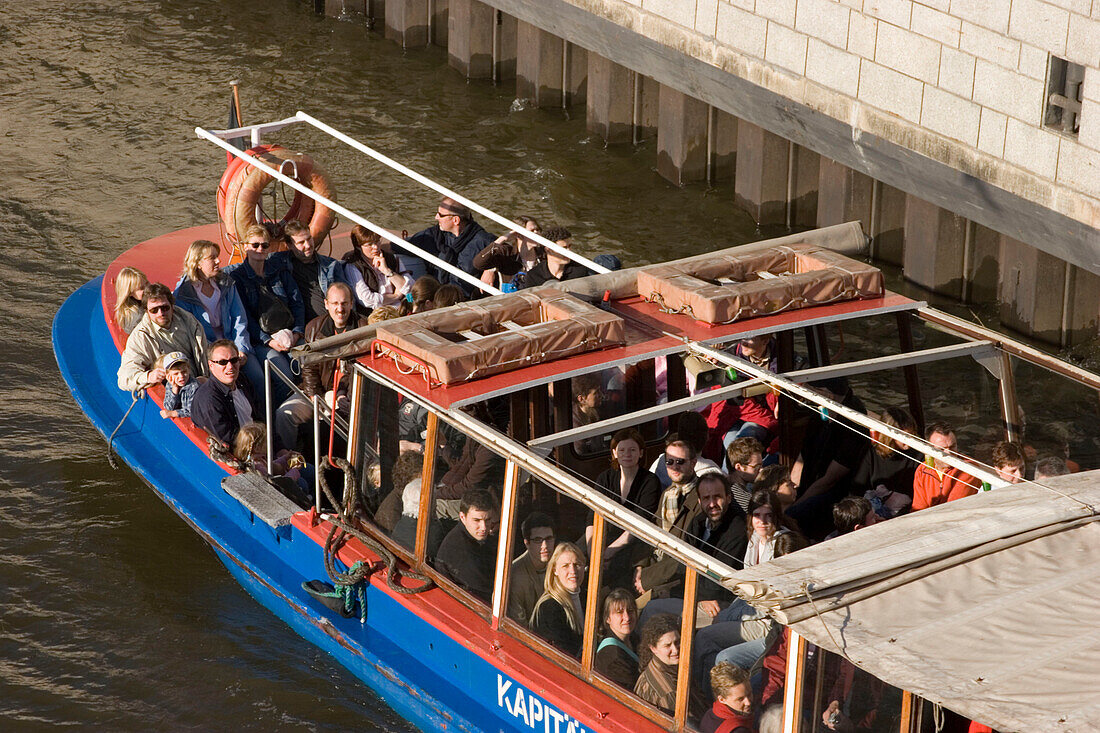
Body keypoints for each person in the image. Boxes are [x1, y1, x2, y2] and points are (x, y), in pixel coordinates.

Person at [274, 282, 362, 450]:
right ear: (326, 304)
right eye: (335, 303)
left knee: (329, 427)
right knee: (284, 414)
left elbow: (357, 370)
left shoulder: (362, 327)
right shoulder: (314, 328)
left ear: (351, 304)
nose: (340, 309)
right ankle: (289, 459)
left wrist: (342, 394)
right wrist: (314, 394)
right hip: (316, 391)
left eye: (344, 303)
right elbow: (309, 366)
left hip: (344, 397)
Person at [224, 224, 303, 396]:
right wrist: (269, 341)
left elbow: (297, 302)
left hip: (289, 332)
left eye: (264, 245)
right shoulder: (238, 278)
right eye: (255, 245)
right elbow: (245, 317)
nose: (260, 249)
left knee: (307, 364)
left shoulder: (279, 271)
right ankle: (279, 417)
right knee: (286, 378)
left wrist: (297, 332)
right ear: (246, 246)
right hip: (260, 340)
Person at [788, 378, 870, 540]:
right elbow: (803, 454)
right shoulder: (818, 409)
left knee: (794, 514)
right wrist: (791, 488)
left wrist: (795, 504)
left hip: (835, 493)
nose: (808, 395)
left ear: (827, 395)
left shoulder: (854, 425)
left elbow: (830, 480)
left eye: (813, 390)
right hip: (812, 476)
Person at [174, 239, 261, 390]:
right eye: (212, 258)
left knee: (258, 378)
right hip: (209, 353)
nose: (218, 260)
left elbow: (239, 319)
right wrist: (219, 356)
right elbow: (191, 333)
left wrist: (241, 350)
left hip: (235, 345)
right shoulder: (183, 294)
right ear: (198, 263)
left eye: (217, 256)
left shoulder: (226, 283)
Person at [634, 437, 703, 596]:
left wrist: (646, 579)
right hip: (653, 568)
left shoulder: (702, 496)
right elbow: (651, 532)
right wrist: (639, 566)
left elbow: (687, 551)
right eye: (669, 462)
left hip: (676, 581)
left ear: (693, 463)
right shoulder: (667, 494)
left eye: (680, 462)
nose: (674, 467)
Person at [117, 283, 208, 392]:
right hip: (177, 391)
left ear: (172, 306)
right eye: (154, 310)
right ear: (146, 311)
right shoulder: (140, 337)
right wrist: (149, 377)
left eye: (164, 308)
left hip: (201, 383)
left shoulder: (189, 321)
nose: (160, 313)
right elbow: (124, 379)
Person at [405, 197, 496, 297]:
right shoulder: (435, 235)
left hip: (464, 301)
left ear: (455, 220)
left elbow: (508, 249)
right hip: (436, 296)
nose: (436, 217)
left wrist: (491, 269)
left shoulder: (482, 240)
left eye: (441, 215)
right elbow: (402, 246)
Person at [269, 220, 349, 324]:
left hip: (328, 324)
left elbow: (347, 296)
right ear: (290, 245)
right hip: (294, 324)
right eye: (301, 242)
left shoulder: (331, 266)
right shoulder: (279, 262)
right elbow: (256, 257)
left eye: (309, 239)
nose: (308, 245)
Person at [433, 489, 499, 603]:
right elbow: (485, 592)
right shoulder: (460, 551)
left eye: (488, 520)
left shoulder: (473, 537)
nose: (484, 527)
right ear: (462, 517)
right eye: (476, 520)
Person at [190, 339, 258, 447]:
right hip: (243, 451)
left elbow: (260, 417)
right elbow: (227, 439)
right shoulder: (208, 399)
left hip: (258, 444)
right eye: (222, 362)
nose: (230, 367)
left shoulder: (242, 380)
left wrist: (279, 448)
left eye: (234, 360)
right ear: (211, 365)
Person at [851, 406, 921, 509]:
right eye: (905, 436)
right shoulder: (871, 452)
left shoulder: (918, 454)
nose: (910, 440)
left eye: (912, 434)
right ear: (889, 436)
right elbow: (858, 487)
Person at [634, 613, 702, 716]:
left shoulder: (652, 667)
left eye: (677, 642)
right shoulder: (668, 693)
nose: (675, 650)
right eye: (667, 645)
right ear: (653, 648)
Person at [530, 542, 587, 658]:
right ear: (555, 570)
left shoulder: (585, 598)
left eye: (577, 564)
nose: (573, 571)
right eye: (566, 566)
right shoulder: (549, 607)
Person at [342, 224, 412, 312]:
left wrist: (387, 271)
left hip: (401, 308)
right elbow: (367, 300)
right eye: (369, 244)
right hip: (376, 313)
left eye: (377, 241)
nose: (375, 247)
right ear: (358, 247)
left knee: (414, 298)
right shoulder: (353, 266)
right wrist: (396, 296)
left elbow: (410, 287)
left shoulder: (392, 258)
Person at [911, 422, 978, 511]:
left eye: (953, 447)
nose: (949, 453)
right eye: (942, 449)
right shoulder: (922, 470)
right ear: (929, 449)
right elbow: (918, 508)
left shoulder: (968, 468)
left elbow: (953, 509)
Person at [649, 411, 721, 489]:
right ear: (707, 436)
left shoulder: (660, 461)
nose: (674, 467)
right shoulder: (714, 474)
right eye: (670, 462)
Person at [508, 512, 556, 625]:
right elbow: (519, 625)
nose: (544, 546)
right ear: (527, 543)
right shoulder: (515, 576)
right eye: (538, 540)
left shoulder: (559, 562)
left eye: (548, 539)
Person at [594, 589, 640, 690]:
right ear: (607, 618)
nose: (627, 617)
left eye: (630, 611)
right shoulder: (612, 657)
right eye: (619, 612)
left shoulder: (635, 638)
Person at [522, 226, 589, 288]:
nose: (569, 251)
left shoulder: (580, 270)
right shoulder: (534, 276)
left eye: (570, 246)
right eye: (564, 248)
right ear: (548, 250)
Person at [700, 663, 754, 733]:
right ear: (722, 699)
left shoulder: (709, 715)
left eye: (749, 694)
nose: (748, 703)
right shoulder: (739, 730)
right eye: (740, 699)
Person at [743, 489, 791, 567]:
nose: (762, 521)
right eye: (757, 515)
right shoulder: (754, 536)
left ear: (776, 516)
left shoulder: (785, 541)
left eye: (768, 515)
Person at [726, 437, 765, 513]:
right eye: (756, 466)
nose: (761, 470)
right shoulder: (738, 496)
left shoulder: (734, 487)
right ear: (739, 467)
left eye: (761, 465)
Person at [158, 351, 199, 419]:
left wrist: (173, 413)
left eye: (184, 372)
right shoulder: (171, 384)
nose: (181, 376)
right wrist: (175, 388)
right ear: (168, 375)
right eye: (176, 374)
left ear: (189, 369)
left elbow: (192, 411)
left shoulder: (194, 386)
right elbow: (168, 407)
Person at [113, 266, 149, 333]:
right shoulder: (136, 317)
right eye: (141, 288)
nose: (147, 288)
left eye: (147, 283)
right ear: (129, 293)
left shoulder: (141, 301)